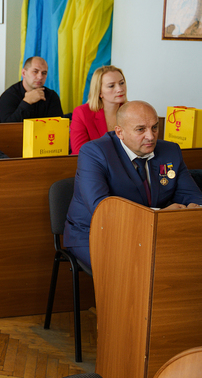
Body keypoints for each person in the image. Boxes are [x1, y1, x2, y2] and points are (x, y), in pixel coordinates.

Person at [63, 101, 202, 267]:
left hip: (153, 233)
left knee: (186, 259)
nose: (151, 136)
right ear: (120, 132)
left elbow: (192, 196)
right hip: (96, 233)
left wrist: (194, 209)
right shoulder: (94, 153)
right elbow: (102, 209)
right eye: (141, 129)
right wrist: (158, 216)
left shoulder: (170, 151)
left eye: (155, 127)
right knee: (133, 266)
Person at [71, 65, 128, 155]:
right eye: (111, 86)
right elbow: (79, 151)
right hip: (95, 167)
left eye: (121, 83)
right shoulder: (82, 113)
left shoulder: (132, 111)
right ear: (99, 92)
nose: (120, 89)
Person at [0, 56, 63, 123]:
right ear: (24, 73)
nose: (40, 77)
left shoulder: (51, 96)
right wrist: (26, 102)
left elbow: (57, 125)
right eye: (35, 71)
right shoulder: (8, 96)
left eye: (44, 73)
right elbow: (8, 127)